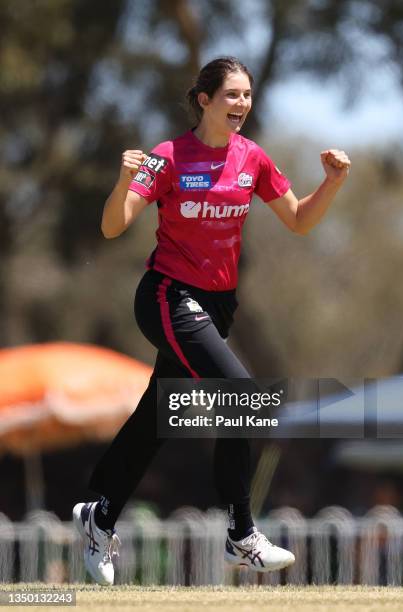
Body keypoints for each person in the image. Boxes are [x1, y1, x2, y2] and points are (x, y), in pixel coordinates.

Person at [73, 56, 351, 586]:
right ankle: (241, 532)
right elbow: (113, 226)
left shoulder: (253, 157)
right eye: (231, 94)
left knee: (161, 415)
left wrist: (332, 182)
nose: (242, 103)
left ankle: (99, 515)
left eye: (247, 95)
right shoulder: (167, 157)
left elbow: (297, 220)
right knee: (243, 397)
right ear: (203, 99)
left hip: (217, 307)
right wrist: (125, 179)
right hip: (168, 296)